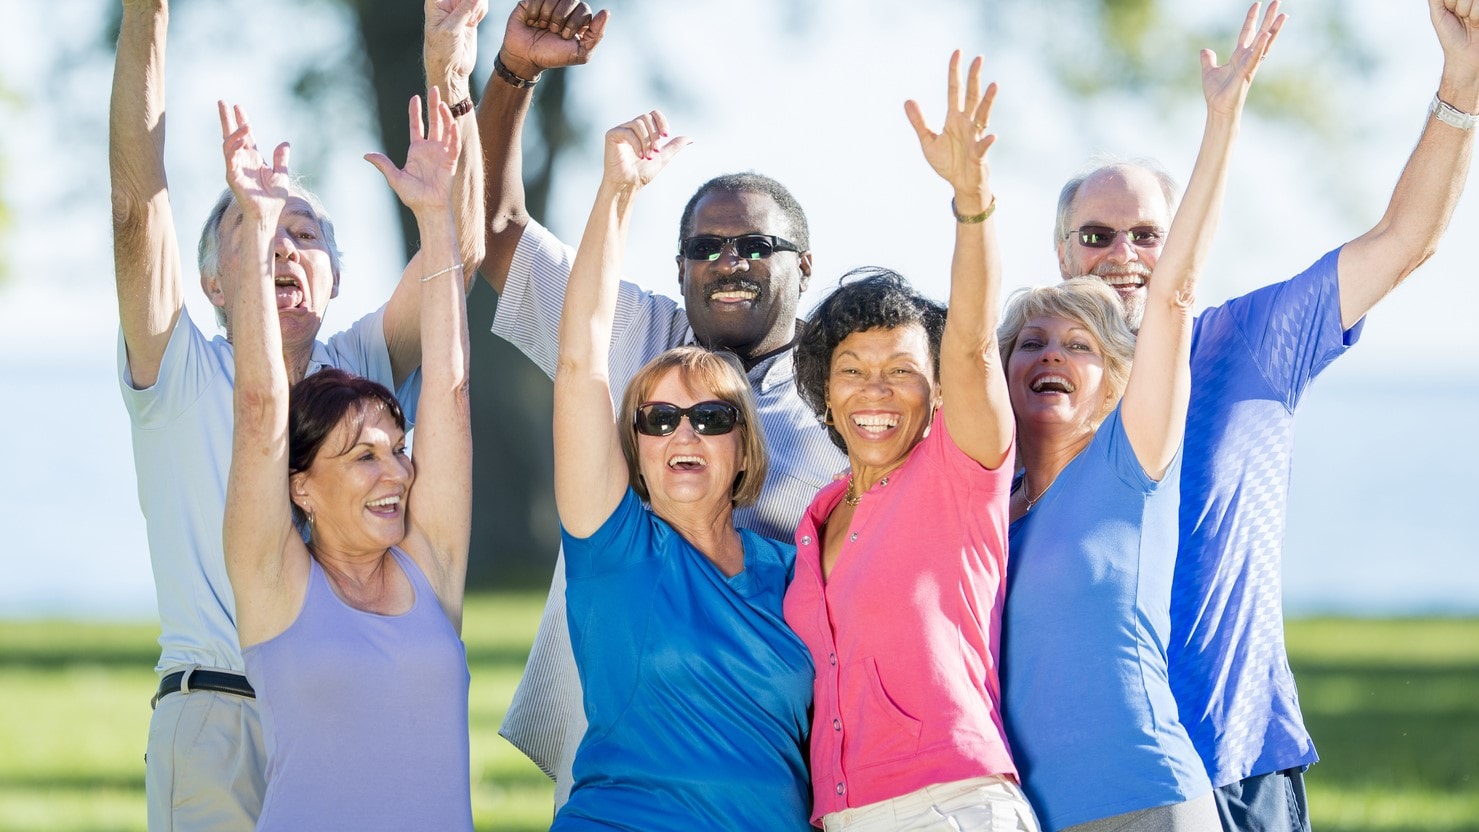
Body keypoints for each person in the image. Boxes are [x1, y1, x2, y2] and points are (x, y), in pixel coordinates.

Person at [1050, 2, 1479, 828]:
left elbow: (1402, 241)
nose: (1124, 257)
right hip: (1087, 772)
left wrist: (1459, 89)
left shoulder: (1249, 342)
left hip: (1234, 754)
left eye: (1148, 234)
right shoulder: (1027, 390)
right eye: (1097, 235)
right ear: (1060, 255)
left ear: (1187, 239)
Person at [109, 0, 485, 827]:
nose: (284, 245)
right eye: (260, 230)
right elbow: (138, 210)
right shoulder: (178, 368)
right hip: (221, 712)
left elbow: (455, 256)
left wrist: (450, 75)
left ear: (336, 279)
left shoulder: (361, 377)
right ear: (211, 281)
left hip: (352, 696)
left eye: (305, 233)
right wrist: (147, 15)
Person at [476, 0, 846, 804]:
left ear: (805, 265)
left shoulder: (849, 387)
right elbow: (496, 227)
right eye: (705, 248)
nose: (729, 261)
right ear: (679, 269)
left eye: (756, 245)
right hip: (625, 719)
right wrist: (512, 73)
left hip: (776, 750)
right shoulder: (633, 333)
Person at [1001, 11, 1282, 831]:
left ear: (1110, 378)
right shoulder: (984, 504)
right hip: (1029, 813)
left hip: (1148, 799)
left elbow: (1176, 293)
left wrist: (1222, 121)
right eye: (1030, 342)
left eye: (1078, 344)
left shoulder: (1132, 462)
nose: (1050, 354)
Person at [784, 53, 1036, 832]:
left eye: (901, 371)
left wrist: (972, 202)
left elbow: (967, 347)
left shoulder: (958, 474)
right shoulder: (817, 515)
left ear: (933, 392)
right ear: (825, 388)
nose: (876, 391)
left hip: (952, 806)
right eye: (853, 370)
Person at [543, 109, 813, 830]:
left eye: (711, 417)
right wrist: (616, 194)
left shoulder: (794, 572)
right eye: (658, 419)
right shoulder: (613, 549)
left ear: (743, 446)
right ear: (634, 446)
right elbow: (580, 361)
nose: (682, 432)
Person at [219, 89, 472, 830]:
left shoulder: (431, 566)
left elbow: (450, 393)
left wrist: (436, 218)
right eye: (362, 455)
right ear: (300, 486)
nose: (395, 472)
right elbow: (262, 411)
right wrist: (261, 231)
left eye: (396, 450)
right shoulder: (273, 582)